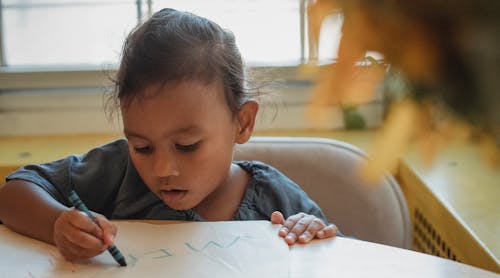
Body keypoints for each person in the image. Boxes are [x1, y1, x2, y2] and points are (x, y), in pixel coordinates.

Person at [0, 8, 339, 261]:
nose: (162, 169)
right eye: (143, 147)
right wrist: (57, 223)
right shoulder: (119, 172)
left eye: (187, 146)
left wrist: (310, 233)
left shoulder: (276, 199)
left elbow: (337, 263)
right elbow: (12, 193)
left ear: (242, 123)